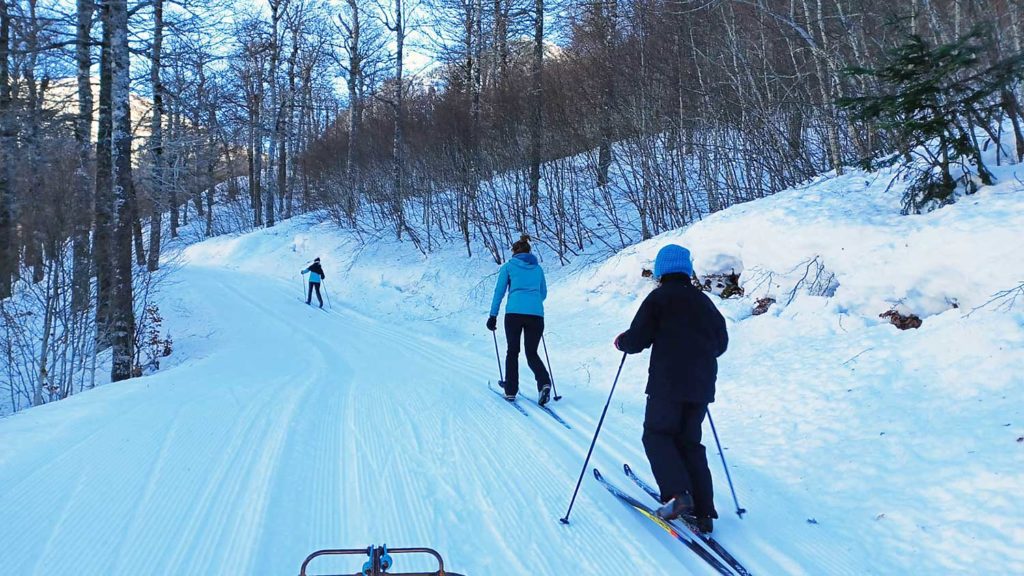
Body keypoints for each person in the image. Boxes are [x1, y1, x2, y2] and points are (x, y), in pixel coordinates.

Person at [614, 244, 728, 533]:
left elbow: (638, 339)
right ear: (687, 270)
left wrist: (622, 342)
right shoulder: (704, 302)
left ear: (662, 270)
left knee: (657, 435)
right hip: (701, 385)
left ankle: (678, 496)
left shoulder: (659, 299)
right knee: (690, 442)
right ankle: (703, 512)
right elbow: (721, 343)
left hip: (667, 383)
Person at [487, 235, 553, 405]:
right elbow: (543, 293)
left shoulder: (508, 267)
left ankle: (510, 390)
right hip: (536, 315)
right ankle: (544, 383)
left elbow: (499, 292)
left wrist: (493, 316)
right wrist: (532, 303)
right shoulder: (537, 269)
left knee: (513, 351)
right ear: (529, 251)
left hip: (514, 314)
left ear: (515, 252)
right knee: (531, 352)